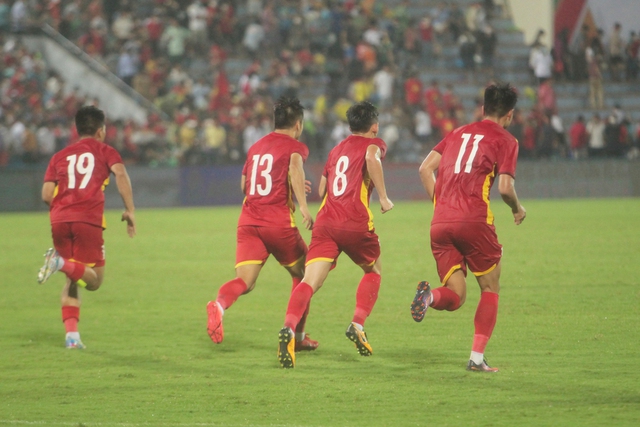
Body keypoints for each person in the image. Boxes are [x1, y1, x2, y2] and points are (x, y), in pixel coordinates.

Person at [412, 83, 526, 372]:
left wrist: (441, 207)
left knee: (456, 295)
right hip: (474, 220)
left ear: (484, 108)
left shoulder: (456, 133)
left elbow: (425, 168)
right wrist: (517, 208)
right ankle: (476, 359)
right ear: (510, 115)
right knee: (490, 287)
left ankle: (429, 297)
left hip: (440, 222)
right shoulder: (506, 140)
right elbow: (504, 187)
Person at [277, 101, 394, 369]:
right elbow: (371, 159)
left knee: (309, 281)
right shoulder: (374, 144)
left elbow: (321, 189)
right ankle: (357, 323)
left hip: (326, 222)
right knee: (373, 271)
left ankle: (289, 327)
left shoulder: (336, 149)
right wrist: (384, 198)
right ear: (374, 126)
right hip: (354, 221)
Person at [206, 97, 318, 352]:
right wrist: (302, 204)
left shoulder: (256, 147)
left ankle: (220, 305)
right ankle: (297, 337)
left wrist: (286, 186)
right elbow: (296, 170)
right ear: (298, 125)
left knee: (245, 281)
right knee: (305, 275)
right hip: (277, 223)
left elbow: (245, 186)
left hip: (248, 223)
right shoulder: (295, 147)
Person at [37, 105, 136, 349]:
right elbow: (121, 175)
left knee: (73, 277)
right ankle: (58, 263)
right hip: (87, 219)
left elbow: (46, 194)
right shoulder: (105, 151)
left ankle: (72, 338)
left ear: (77, 129)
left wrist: (64, 209)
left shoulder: (59, 156)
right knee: (93, 281)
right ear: (101, 131)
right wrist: (129, 209)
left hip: (59, 219)